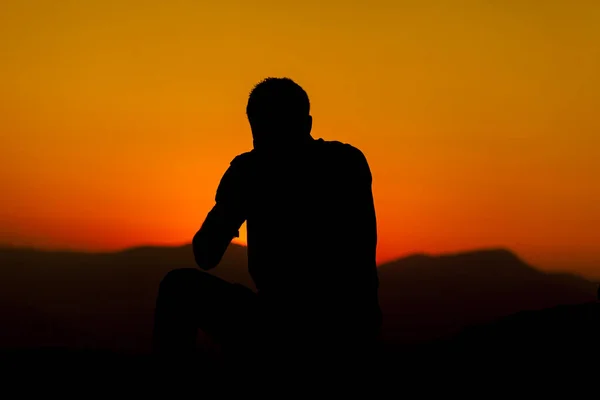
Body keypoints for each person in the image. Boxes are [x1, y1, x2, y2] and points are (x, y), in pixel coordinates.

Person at [152, 77, 382, 371]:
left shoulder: (252, 171)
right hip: (353, 330)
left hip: (287, 329)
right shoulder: (349, 162)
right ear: (308, 123)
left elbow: (205, 254)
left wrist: (235, 196)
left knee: (178, 287)